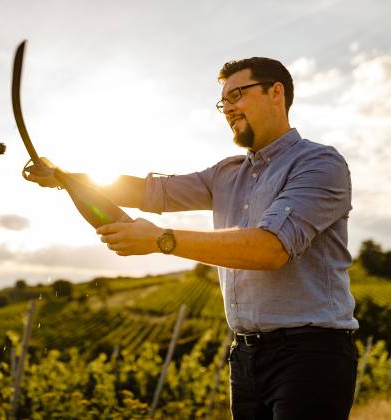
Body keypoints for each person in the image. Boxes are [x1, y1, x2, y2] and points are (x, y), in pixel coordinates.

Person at [25, 57, 358, 419]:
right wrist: (65, 177)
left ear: (275, 92)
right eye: (223, 102)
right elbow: (153, 192)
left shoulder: (319, 163)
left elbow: (270, 249)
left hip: (310, 356)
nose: (227, 108)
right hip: (245, 356)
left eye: (237, 95)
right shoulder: (225, 174)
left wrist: (160, 240)